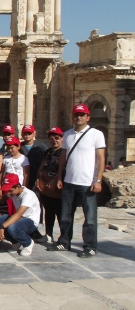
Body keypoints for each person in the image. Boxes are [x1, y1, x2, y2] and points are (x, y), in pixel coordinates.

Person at [49, 104, 106, 258]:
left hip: (88, 182)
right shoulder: (67, 134)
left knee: (90, 217)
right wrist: (59, 176)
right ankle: (64, 242)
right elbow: (63, 157)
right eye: (76, 115)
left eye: (82, 115)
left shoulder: (96, 134)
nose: (78, 117)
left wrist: (98, 180)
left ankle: (90, 246)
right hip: (69, 181)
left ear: (88, 117)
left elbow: (101, 158)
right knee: (66, 215)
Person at [0, 174, 41, 256]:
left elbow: (18, 214)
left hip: (30, 221)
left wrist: (2, 226)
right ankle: (16, 242)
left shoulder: (28, 195)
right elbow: (3, 198)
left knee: (12, 227)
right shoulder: (13, 192)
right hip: (18, 219)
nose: (9, 193)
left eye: (10, 191)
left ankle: (28, 243)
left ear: (18, 186)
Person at [36, 127, 64, 243]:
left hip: (58, 188)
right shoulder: (48, 151)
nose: (54, 141)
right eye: (51, 138)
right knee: (49, 212)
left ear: (62, 138)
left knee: (61, 214)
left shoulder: (64, 152)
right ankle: (48, 234)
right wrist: (38, 179)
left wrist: (56, 180)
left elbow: (64, 170)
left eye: (57, 138)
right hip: (46, 188)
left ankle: (64, 237)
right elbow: (42, 166)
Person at [20, 125, 48, 190]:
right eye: (25, 133)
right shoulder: (19, 146)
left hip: (38, 177)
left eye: (29, 133)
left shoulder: (41, 145)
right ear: (22, 135)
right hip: (24, 177)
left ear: (34, 134)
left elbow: (47, 156)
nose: (27, 135)